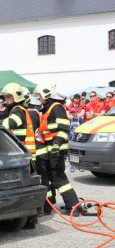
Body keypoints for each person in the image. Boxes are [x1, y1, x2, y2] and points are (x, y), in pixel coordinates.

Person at [33, 81, 81, 216]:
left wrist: (56, 144)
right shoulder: (48, 108)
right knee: (53, 176)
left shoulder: (56, 108)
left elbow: (64, 128)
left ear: (46, 94)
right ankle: (53, 205)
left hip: (57, 149)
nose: (38, 99)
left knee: (58, 177)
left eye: (39, 96)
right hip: (52, 149)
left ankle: (73, 206)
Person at [0, 84, 37, 228]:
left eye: (8, 97)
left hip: (23, 155)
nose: (6, 100)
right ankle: (30, 220)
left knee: (26, 188)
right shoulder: (19, 109)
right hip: (25, 153)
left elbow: (12, 123)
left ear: (16, 97)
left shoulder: (18, 110)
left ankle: (31, 220)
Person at [68, 108, 84, 172]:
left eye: (74, 112)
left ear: (77, 112)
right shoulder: (70, 120)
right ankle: (72, 166)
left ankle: (80, 166)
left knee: (79, 153)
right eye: (72, 112)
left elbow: (83, 128)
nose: (73, 113)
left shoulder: (80, 119)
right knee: (72, 153)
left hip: (79, 139)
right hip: (71, 138)